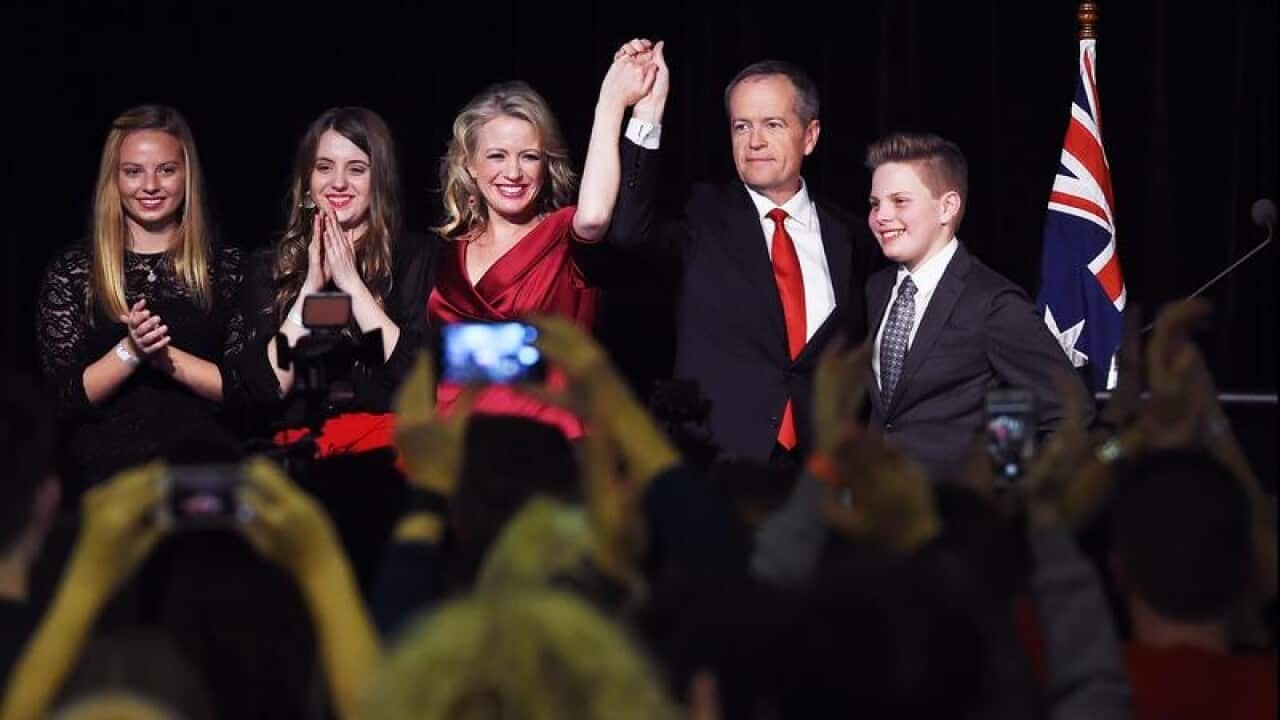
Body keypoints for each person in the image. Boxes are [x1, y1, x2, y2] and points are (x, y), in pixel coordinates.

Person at [608, 42, 880, 465]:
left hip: (820, 475)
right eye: (741, 126)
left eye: (772, 124)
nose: (755, 141)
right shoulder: (700, 214)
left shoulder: (851, 236)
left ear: (810, 136)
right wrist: (647, 112)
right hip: (716, 466)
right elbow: (627, 233)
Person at [239, 106, 436, 590]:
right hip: (295, 474)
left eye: (356, 168)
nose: (338, 182)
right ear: (306, 180)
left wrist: (351, 285)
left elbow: (417, 382)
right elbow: (264, 387)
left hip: (388, 474)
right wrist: (309, 291)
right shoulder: (267, 268)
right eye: (324, 167)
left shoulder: (417, 257)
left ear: (379, 179)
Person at [427, 46, 658, 438]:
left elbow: (595, 216)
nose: (513, 172)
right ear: (470, 163)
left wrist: (611, 103)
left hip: (552, 457)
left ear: (546, 163)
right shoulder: (450, 249)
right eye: (497, 156)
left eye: (529, 156)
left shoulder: (564, 239)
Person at [35, 104, 246, 493]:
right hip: (106, 484)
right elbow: (61, 400)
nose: (150, 186)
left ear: (187, 175)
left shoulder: (227, 266)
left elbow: (244, 389)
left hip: (204, 476)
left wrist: (164, 358)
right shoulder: (73, 270)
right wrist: (130, 351)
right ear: (113, 179)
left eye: (166, 170)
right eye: (133, 171)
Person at [863, 131, 1091, 483]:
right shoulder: (876, 290)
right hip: (883, 511)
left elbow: (1068, 413)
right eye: (876, 204)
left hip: (959, 522)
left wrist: (1006, 494)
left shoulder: (993, 304)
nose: (881, 216)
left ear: (947, 207)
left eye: (900, 201)